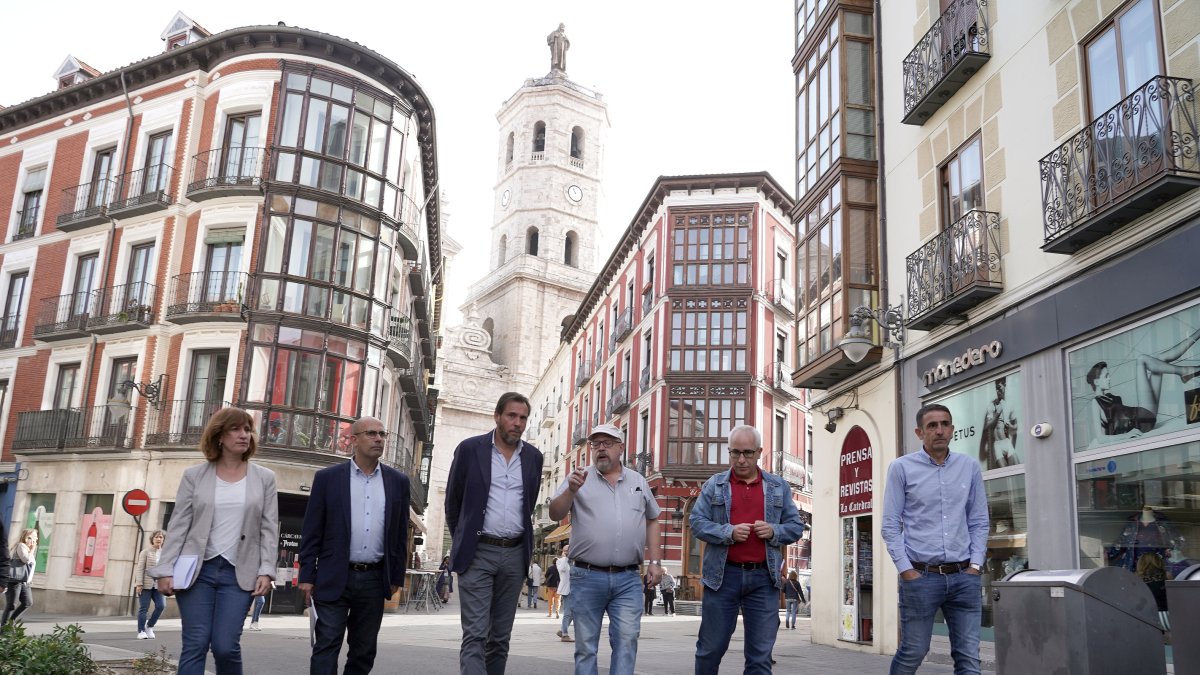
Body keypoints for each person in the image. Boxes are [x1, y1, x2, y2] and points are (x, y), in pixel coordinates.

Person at [152, 407, 279, 675]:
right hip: (198, 572)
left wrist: (267, 570)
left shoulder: (264, 478)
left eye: (247, 429)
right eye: (236, 429)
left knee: (225, 646)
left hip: (239, 574)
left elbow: (269, 529)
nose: (244, 435)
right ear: (219, 436)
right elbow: (178, 526)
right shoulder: (194, 476)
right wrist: (164, 569)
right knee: (195, 644)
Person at [882, 404, 989, 675]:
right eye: (932, 426)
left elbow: (978, 520)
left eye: (945, 424)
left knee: (969, 659)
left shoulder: (969, 467)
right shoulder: (901, 468)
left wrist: (975, 567)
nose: (939, 430)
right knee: (913, 652)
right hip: (921, 577)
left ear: (952, 429)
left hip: (964, 577)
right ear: (920, 432)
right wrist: (906, 571)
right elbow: (890, 525)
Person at [690, 425, 805, 674]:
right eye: (735, 453)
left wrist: (775, 531)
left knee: (760, 658)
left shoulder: (778, 487)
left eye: (748, 453)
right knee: (710, 650)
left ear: (759, 452)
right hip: (722, 579)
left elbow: (796, 527)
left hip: (764, 579)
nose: (741, 460)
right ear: (729, 452)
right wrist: (727, 532)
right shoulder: (715, 484)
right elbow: (697, 523)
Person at [299, 416, 410, 675]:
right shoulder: (328, 478)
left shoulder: (398, 482)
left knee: (364, 650)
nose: (379, 439)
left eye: (382, 434)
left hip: (374, 578)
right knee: (326, 645)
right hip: (334, 575)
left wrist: (396, 574)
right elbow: (312, 529)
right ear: (354, 440)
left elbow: (399, 533)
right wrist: (306, 573)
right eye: (371, 433)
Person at [549, 423, 662, 675]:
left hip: (628, 578)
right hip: (586, 576)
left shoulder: (638, 481)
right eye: (596, 444)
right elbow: (555, 512)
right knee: (586, 647)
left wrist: (655, 561)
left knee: (626, 641)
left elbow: (652, 519)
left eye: (607, 443)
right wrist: (570, 490)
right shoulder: (577, 478)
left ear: (620, 448)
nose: (601, 448)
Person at [445, 392, 544, 675]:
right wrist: (465, 539)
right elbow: (454, 502)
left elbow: (529, 501)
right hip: (478, 553)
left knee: (499, 638)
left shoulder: (533, 458)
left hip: (514, 554)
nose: (517, 423)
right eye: (512, 416)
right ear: (497, 416)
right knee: (475, 634)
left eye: (523, 418)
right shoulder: (469, 449)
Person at [1086, 328, 1200, 440]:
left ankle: (1197, 335)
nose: (1110, 378)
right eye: (1106, 376)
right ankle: (1184, 372)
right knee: (1141, 360)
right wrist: (1125, 436)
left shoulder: (1110, 397)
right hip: (1141, 420)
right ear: (1096, 382)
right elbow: (1100, 438)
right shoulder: (1096, 403)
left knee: (1161, 359)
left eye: (1109, 375)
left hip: (1144, 417)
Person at [978, 376, 1018, 469]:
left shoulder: (1010, 404)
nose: (997, 391)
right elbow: (986, 427)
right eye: (996, 389)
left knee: (1015, 469)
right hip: (997, 445)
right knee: (1004, 473)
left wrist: (1010, 426)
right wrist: (996, 415)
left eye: (999, 388)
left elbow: (1016, 428)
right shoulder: (992, 405)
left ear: (1004, 386)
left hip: (1007, 442)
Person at [134, 530, 167, 639]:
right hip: (146, 585)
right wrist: (139, 584)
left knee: (161, 606)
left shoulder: (165, 553)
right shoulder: (146, 552)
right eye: (156, 537)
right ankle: (141, 631)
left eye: (161, 537)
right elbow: (140, 569)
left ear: (163, 540)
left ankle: (149, 626)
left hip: (159, 585)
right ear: (152, 539)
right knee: (144, 608)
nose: (158, 539)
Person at [3, 528, 37, 625]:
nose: (35, 539)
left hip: (25, 582)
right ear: (27, 537)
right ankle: (4, 629)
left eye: (36, 537)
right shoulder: (21, 546)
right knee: (11, 605)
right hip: (15, 580)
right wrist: (33, 549)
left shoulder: (27, 548)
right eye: (33, 537)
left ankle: (11, 620)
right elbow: (26, 560)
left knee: (28, 602)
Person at [555, 543, 574, 642]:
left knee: (574, 612)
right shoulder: (560, 561)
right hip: (567, 589)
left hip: (576, 589)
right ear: (563, 551)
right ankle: (565, 635)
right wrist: (565, 558)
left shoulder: (574, 561)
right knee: (568, 612)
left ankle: (562, 630)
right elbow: (562, 569)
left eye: (569, 550)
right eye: (566, 550)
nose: (567, 552)